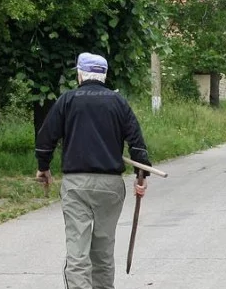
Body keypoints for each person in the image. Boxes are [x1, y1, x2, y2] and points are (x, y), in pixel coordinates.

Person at [34, 52, 152, 289]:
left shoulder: (67, 100)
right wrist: (142, 175)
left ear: (79, 73)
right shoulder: (118, 102)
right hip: (110, 186)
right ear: (104, 76)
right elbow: (137, 142)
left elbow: (46, 137)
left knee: (77, 251)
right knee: (103, 251)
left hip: (76, 185)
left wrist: (43, 168)